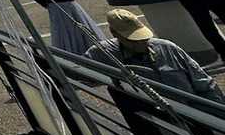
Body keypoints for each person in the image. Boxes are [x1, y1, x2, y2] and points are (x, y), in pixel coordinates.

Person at [86, 8, 225, 103]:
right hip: (153, 115)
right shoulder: (103, 52)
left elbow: (204, 82)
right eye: (133, 40)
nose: (141, 43)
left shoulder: (167, 48)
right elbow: (79, 73)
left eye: (143, 38)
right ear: (115, 34)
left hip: (191, 108)